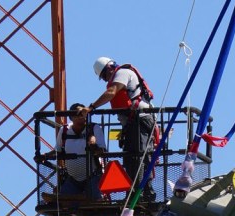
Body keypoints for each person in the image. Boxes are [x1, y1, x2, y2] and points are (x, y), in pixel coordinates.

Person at [87, 55, 157, 193]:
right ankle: (142, 191)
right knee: (134, 157)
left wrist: (92, 107)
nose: (106, 80)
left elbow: (111, 92)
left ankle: (139, 193)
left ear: (109, 68)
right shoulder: (120, 74)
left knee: (137, 156)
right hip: (134, 122)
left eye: (104, 76)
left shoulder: (122, 73)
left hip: (140, 120)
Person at [48, 104, 104, 201]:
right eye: (78, 114)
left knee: (94, 200)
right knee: (61, 203)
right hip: (73, 178)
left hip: (93, 176)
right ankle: (80, 197)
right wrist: (45, 156)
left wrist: (93, 145)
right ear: (71, 117)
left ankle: (82, 197)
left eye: (83, 113)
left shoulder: (94, 128)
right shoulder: (64, 130)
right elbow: (58, 150)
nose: (82, 116)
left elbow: (102, 152)